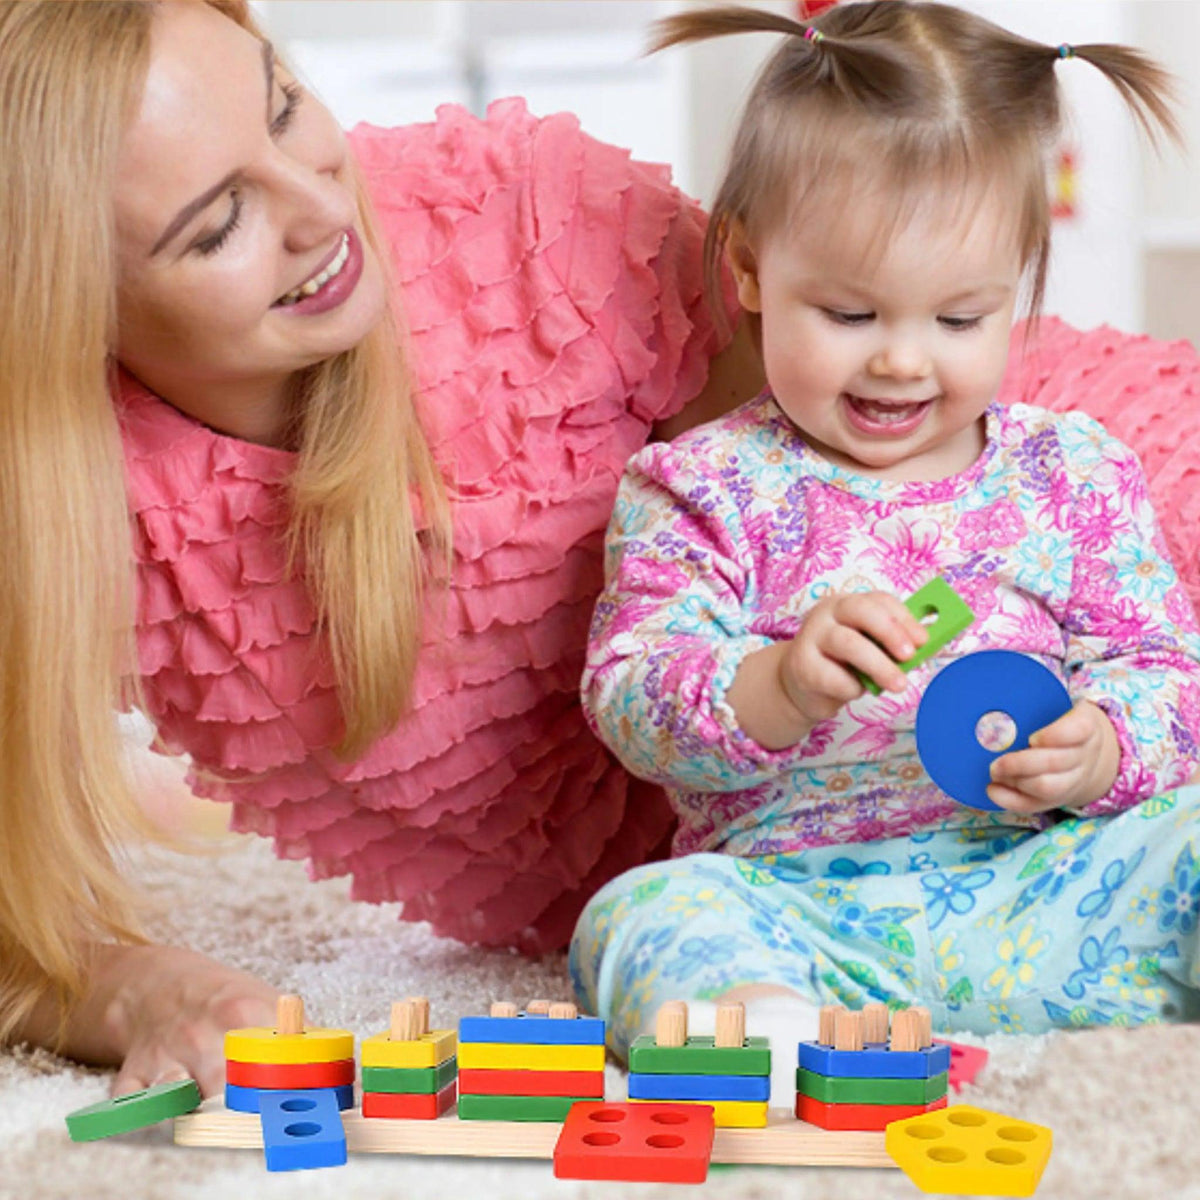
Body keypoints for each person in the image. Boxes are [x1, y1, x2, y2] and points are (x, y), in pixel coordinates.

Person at [0, 0, 767, 1098]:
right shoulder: (64, 493)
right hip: (672, 914)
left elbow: (879, 446)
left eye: (284, 106)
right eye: (218, 225)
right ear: (76, 314)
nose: (323, 206)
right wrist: (147, 991)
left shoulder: (530, 221)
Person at [573, 0, 1200, 1099]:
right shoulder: (702, 487)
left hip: (1048, 885)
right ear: (755, 270)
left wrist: (1103, 748)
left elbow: (1169, 675)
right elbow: (631, 698)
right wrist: (774, 685)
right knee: (638, 917)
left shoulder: (1072, 474)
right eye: (851, 314)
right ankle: (773, 1043)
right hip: (804, 912)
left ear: (1018, 290)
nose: (904, 362)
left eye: (960, 320)